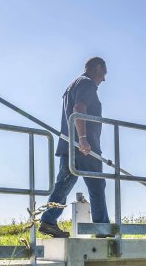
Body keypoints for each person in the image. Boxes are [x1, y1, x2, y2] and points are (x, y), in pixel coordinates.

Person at [38, 57, 110, 238]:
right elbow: (78, 109)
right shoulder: (87, 84)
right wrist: (84, 139)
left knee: (63, 184)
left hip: (69, 145)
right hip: (85, 148)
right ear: (98, 68)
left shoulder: (72, 86)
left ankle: (48, 220)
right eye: (104, 74)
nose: (104, 79)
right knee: (97, 185)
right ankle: (102, 228)